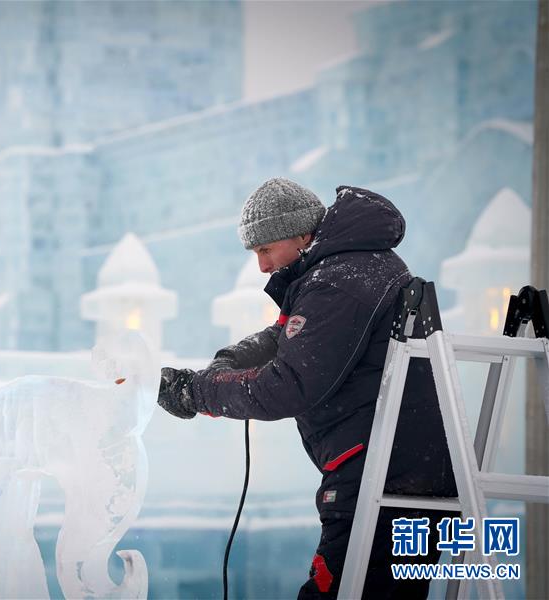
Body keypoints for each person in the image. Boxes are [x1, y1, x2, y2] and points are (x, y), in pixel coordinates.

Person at [157, 178, 458, 599]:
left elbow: (289, 385)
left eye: (265, 249)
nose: (262, 266)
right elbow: (287, 338)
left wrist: (198, 392)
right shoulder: (347, 267)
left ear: (301, 234)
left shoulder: (339, 282)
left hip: (382, 477)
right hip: (401, 469)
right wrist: (226, 363)